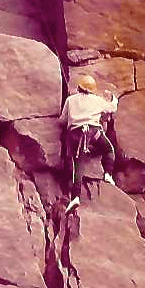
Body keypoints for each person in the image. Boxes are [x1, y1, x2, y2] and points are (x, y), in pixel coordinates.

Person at [58, 74, 118, 212]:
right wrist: (114, 99)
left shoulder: (70, 100)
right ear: (92, 90)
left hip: (75, 134)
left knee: (78, 166)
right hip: (93, 132)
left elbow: (62, 120)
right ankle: (108, 174)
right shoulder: (97, 100)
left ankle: (75, 198)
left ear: (79, 87)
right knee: (109, 150)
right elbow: (112, 108)